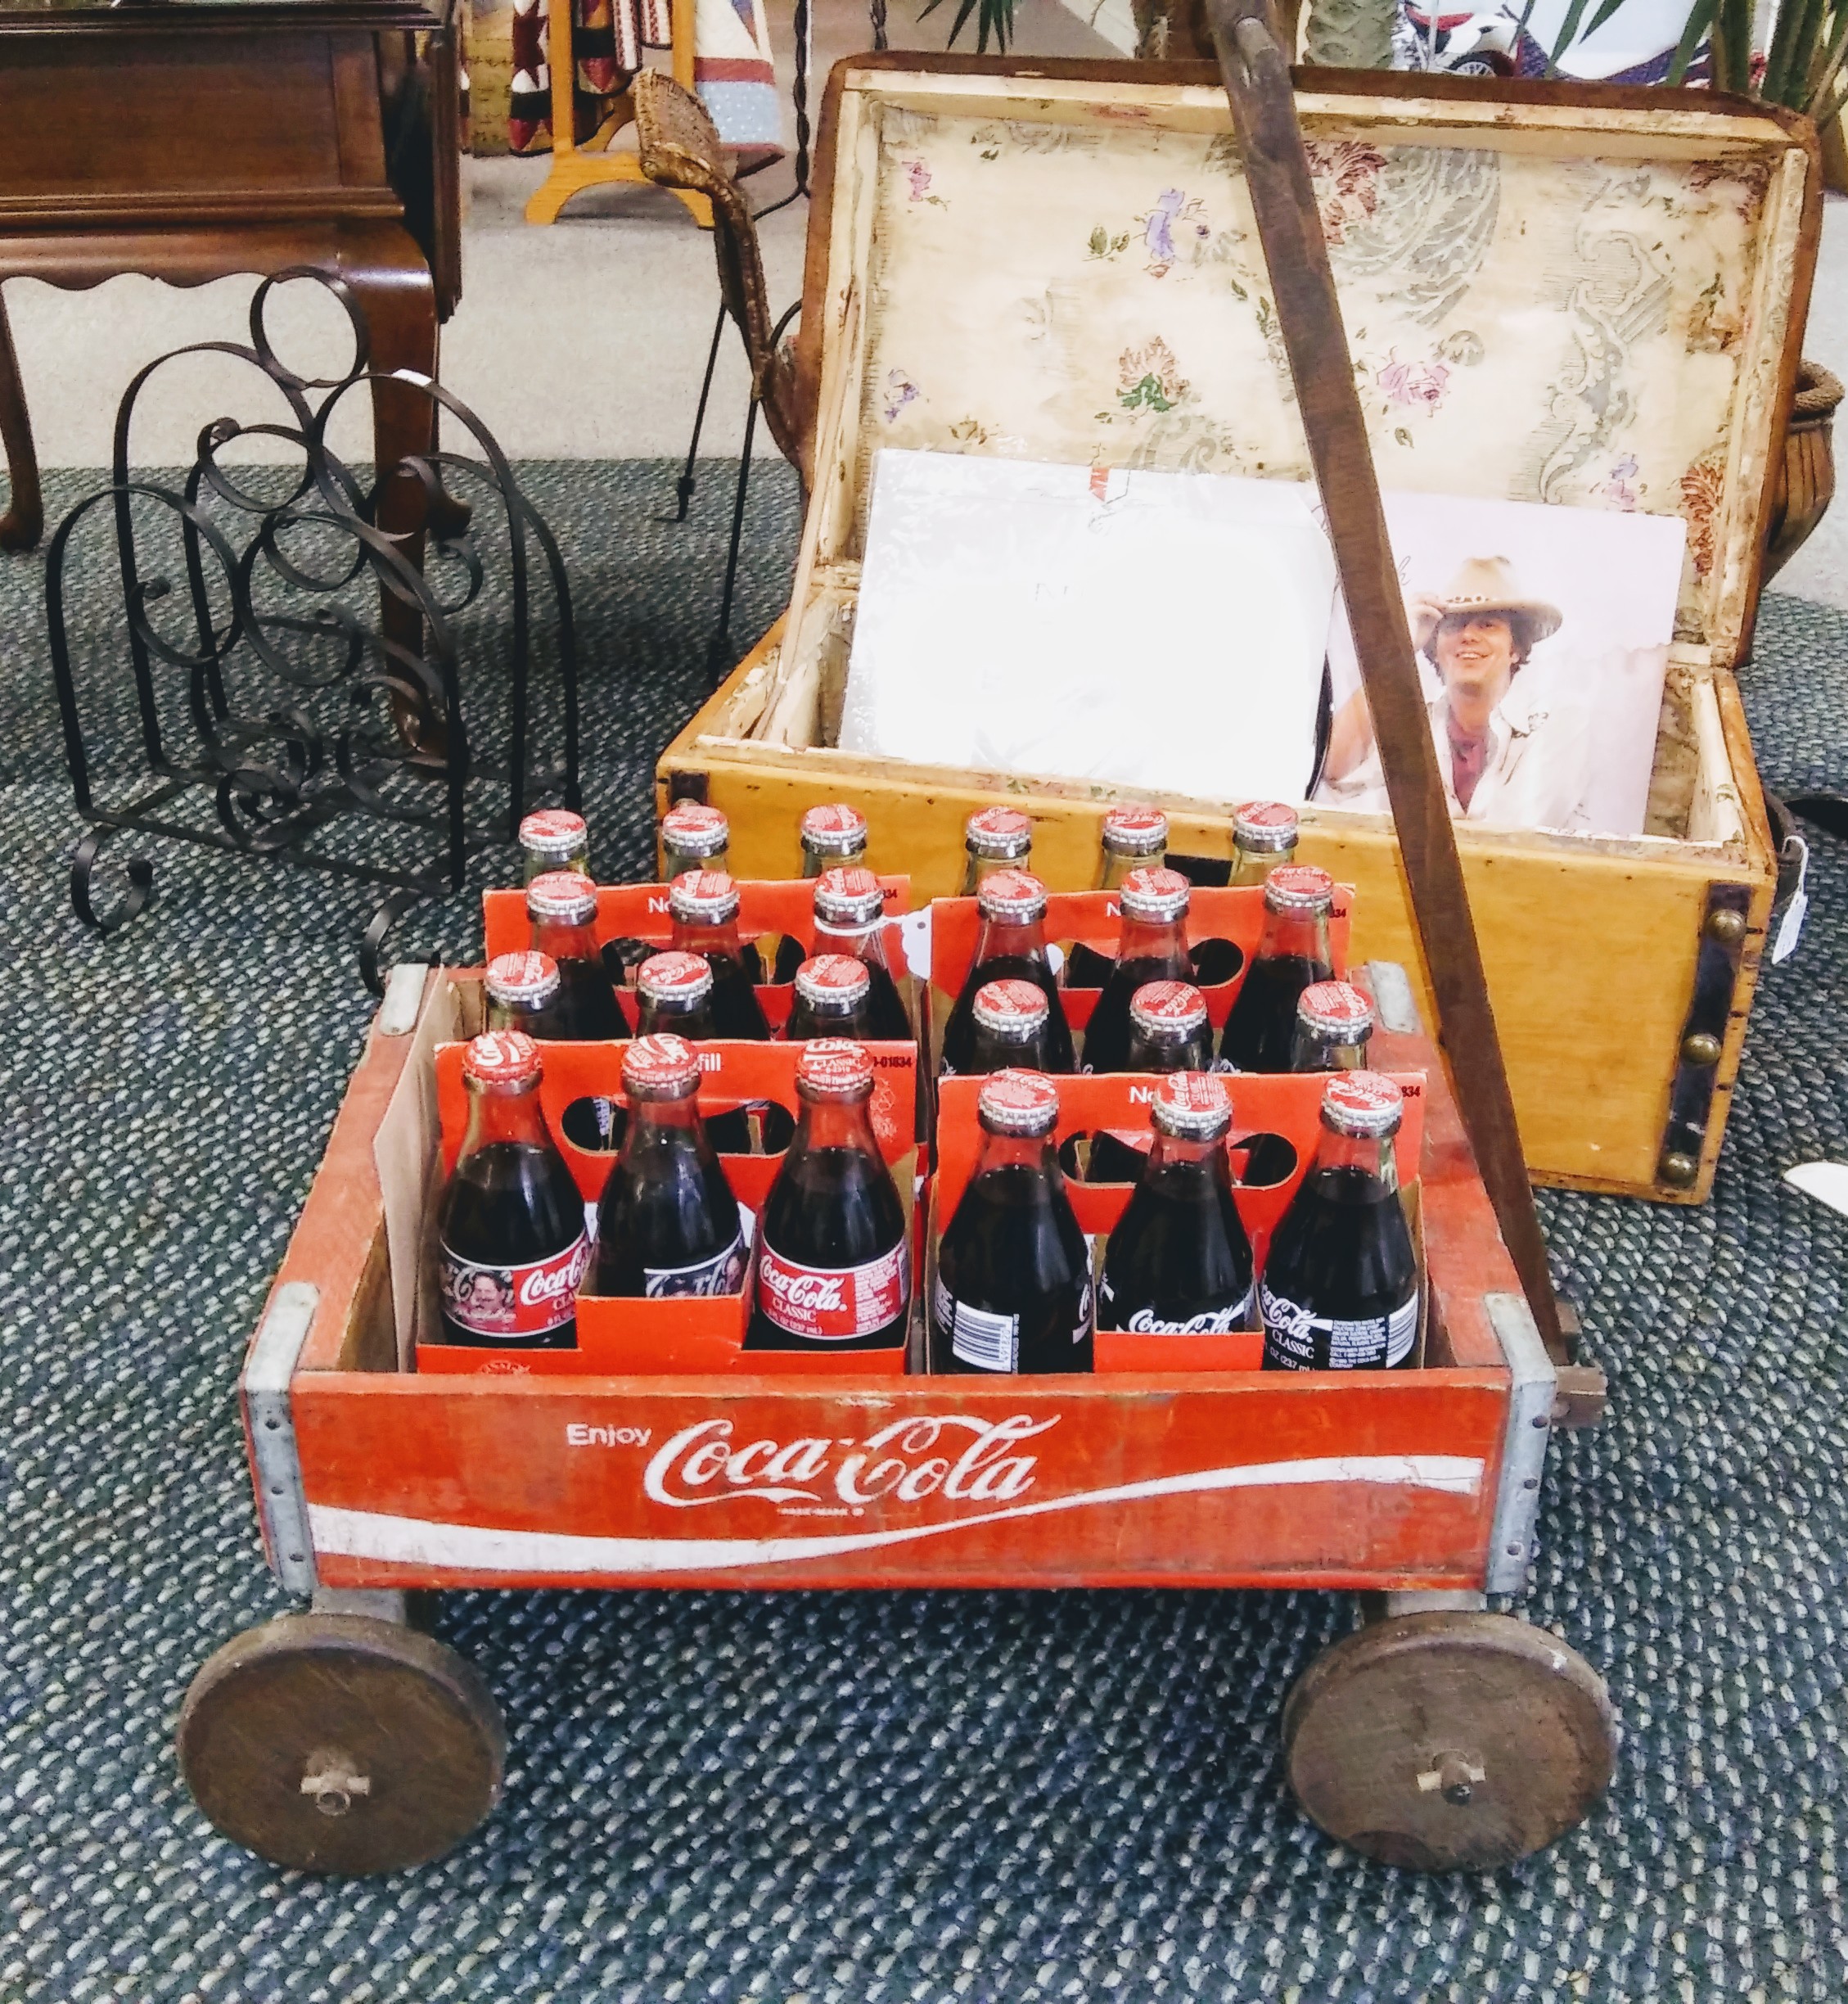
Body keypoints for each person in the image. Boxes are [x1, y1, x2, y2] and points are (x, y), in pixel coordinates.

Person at [1317, 556, 1591, 832]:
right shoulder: (1416, 719)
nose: (1468, 635)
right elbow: (1335, 769)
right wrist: (1396, 653)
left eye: (1487, 625)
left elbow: (1512, 837)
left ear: (1515, 648)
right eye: (1455, 624)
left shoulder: (1560, 721)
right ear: (1434, 647)